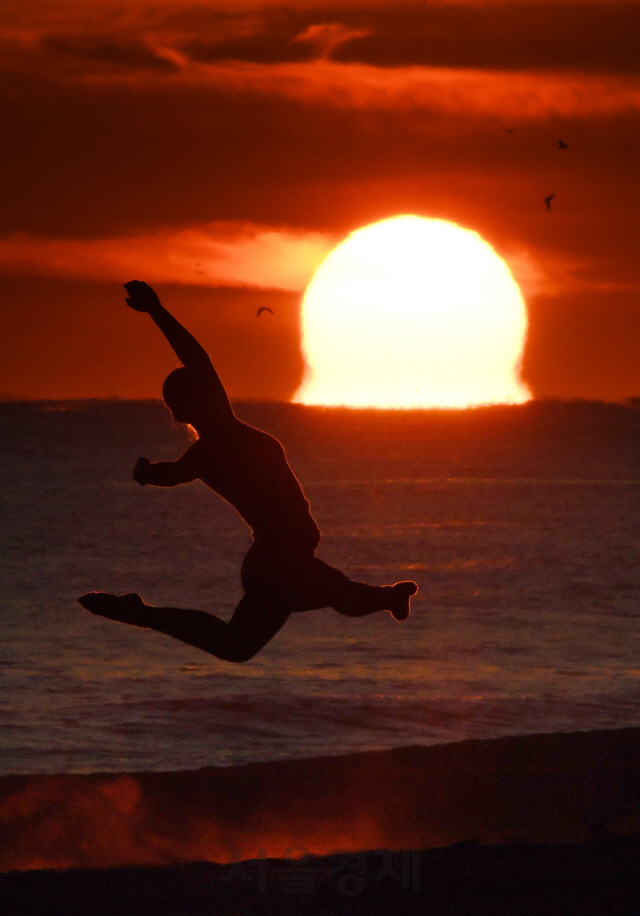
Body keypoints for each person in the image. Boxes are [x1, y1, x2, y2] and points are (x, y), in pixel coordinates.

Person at [78, 281, 418, 663]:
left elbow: (194, 360)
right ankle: (139, 612)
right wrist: (148, 474)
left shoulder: (212, 442)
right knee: (326, 605)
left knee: (317, 610)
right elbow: (171, 468)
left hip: (279, 559)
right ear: (189, 407)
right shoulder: (212, 446)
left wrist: (157, 312)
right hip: (277, 561)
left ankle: (390, 597)